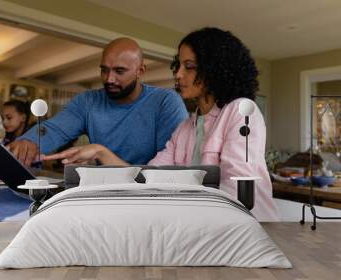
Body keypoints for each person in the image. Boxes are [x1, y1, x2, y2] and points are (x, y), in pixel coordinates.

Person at [43, 27, 279, 221]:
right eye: (179, 65)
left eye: (189, 67)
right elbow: (147, 178)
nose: (177, 75)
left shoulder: (241, 112)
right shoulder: (185, 129)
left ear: (215, 68)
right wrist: (101, 152)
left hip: (250, 230)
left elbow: (236, 194)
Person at [7, 37, 188, 167]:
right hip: (100, 195)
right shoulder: (87, 102)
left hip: (149, 199)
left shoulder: (166, 102)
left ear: (140, 71)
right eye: (104, 70)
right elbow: (54, 128)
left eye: (119, 71)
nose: (109, 79)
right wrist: (29, 141)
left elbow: (169, 171)